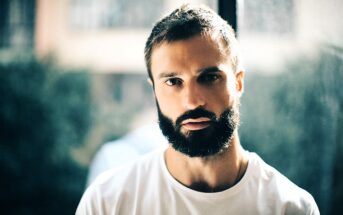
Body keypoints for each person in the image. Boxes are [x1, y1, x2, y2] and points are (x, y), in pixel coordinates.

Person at [76, 4, 319, 214]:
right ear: (154, 91)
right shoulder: (107, 202)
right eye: (173, 82)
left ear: (238, 82)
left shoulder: (291, 208)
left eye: (209, 77)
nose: (192, 101)